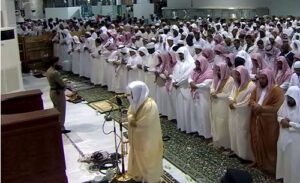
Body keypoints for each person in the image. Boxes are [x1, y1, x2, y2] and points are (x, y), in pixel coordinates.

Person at [249, 68, 284, 175]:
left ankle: (270, 167)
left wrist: (261, 109)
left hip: (269, 123)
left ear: (269, 78)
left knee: (269, 144)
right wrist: (254, 105)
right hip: (256, 119)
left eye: (264, 78)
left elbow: (277, 107)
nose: (261, 80)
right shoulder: (257, 87)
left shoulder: (276, 90)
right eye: (260, 78)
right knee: (256, 140)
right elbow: (251, 99)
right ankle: (258, 161)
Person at [126, 81, 163, 183]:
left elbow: (147, 123)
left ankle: (150, 178)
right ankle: (140, 175)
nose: (130, 95)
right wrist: (131, 119)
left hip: (148, 140)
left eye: (132, 93)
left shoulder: (150, 105)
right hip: (138, 140)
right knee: (138, 157)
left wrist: (135, 122)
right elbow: (130, 113)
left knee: (148, 159)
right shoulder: (134, 103)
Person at [228, 66, 256, 161]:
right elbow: (232, 94)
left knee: (243, 134)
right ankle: (236, 152)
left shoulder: (251, 86)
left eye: (239, 75)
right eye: (236, 75)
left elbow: (247, 102)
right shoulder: (237, 83)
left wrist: (235, 106)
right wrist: (231, 101)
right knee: (234, 132)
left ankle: (245, 156)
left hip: (244, 114)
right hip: (235, 113)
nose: (237, 77)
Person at [276, 86, 300, 183]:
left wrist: (289, 124)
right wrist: (282, 120)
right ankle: (282, 177)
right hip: (283, 138)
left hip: (295, 142)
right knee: (283, 159)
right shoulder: (285, 104)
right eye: (288, 97)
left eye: (291, 98)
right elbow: (278, 115)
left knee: (293, 162)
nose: (289, 100)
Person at [187, 56, 213, 138]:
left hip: (204, 97)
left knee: (204, 115)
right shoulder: (194, 71)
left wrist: (196, 85)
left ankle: (207, 135)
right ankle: (198, 131)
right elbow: (190, 77)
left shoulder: (209, 72)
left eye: (199, 63)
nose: (197, 65)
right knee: (196, 114)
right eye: (196, 63)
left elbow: (207, 84)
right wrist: (191, 82)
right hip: (195, 95)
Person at [210, 62, 235, 149]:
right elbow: (212, 87)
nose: (217, 72)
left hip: (223, 105)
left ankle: (226, 145)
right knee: (215, 122)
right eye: (217, 70)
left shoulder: (230, 80)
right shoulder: (216, 77)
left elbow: (227, 94)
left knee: (223, 123)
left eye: (219, 70)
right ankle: (217, 141)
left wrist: (217, 95)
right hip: (215, 103)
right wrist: (213, 92)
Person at [172, 47, 195, 132]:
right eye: (179, 54)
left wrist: (178, 83)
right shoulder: (178, 64)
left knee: (187, 108)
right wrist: (173, 81)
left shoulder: (191, 64)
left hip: (185, 88)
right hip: (178, 89)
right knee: (180, 108)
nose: (180, 56)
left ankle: (188, 128)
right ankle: (182, 126)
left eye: (181, 54)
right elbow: (173, 74)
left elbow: (187, 76)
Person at [46, 57, 71, 134]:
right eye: (57, 62)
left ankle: (57, 125)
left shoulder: (48, 70)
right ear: (54, 63)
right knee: (61, 110)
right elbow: (61, 83)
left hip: (53, 92)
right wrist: (66, 86)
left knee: (56, 109)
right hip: (58, 93)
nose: (59, 64)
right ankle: (61, 127)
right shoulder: (55, 73)